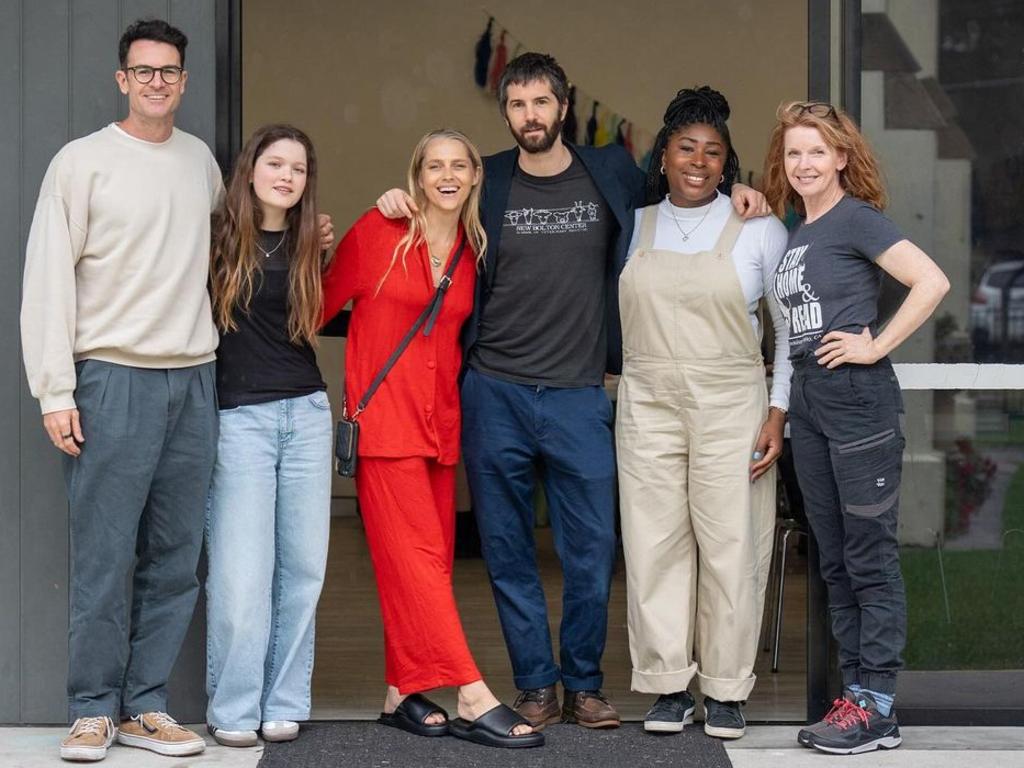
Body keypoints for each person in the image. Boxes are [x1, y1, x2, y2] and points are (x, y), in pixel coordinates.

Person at [376, 52, 769, 730]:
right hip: (494, 391)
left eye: (541, 103)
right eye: (518, 105)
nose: (530, 116)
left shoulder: (611, 171)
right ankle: (535, 684)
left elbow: (686, 190)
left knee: (592, 551)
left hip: (581, 393)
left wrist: (741, 191)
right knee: (506, 550)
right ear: (507, 114)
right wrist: (394, 202)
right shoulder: (486, 178)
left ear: (562, 106)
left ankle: (584, 683)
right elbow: (433, 208)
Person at [20, 19, 219, 762]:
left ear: (183, 81)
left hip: (194, 378)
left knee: (175, 556)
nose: (157, 82)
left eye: (169, 71)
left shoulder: (201, 162)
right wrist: (55, 390)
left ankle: (145, 706)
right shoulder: (82, 163)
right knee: (105, 555)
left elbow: (227, 257)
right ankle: (93, 708)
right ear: (122, 79)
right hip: (112, 379)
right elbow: (47, 277)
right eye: (144, 71)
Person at [322, 129, 543, 749]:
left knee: (427, 564)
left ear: (476, 176)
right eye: (434, 166)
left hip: (440, 428)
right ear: (417, 176)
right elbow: (312, 306)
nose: (447, 175)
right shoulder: (379, 233)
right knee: (418, 566)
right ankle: (472, 693)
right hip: (385, 428)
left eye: (459, 165)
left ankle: (399, 691)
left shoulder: (475, 250)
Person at [761, 101, 949, 755]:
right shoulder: (798, 232)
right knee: (836, 563)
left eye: (816, 151)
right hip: (812, 404)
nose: (804, 163)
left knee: (868, 559)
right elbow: (792, 328)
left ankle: (877, 705)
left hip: (858, 403)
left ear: (842, 157)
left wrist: (876, 344)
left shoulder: (856, 219)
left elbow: (930, 280)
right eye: (793, 153)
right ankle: (855, 700)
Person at [616, 86, 790, 740]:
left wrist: (779, 412)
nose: (699, 160)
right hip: (648, 400)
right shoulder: (632, 222)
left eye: (712, 152)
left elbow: (791, 334)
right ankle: (665, 685)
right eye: (686, 148)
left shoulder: (760, 228)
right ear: (663, 156)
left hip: (731, 401)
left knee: (731, 544)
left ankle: (724, 689)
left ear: (727, 163)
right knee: (654, 541)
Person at [204, 124, 332, 748]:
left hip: (306, 414)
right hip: (240, 420)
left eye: (299, 169)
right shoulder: (215, 239)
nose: (286, 176)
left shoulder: (311, 242)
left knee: (304, 568)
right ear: (250, 170)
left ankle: (284, 700)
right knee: (240, 574)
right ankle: (233, 707)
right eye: (275, 163)